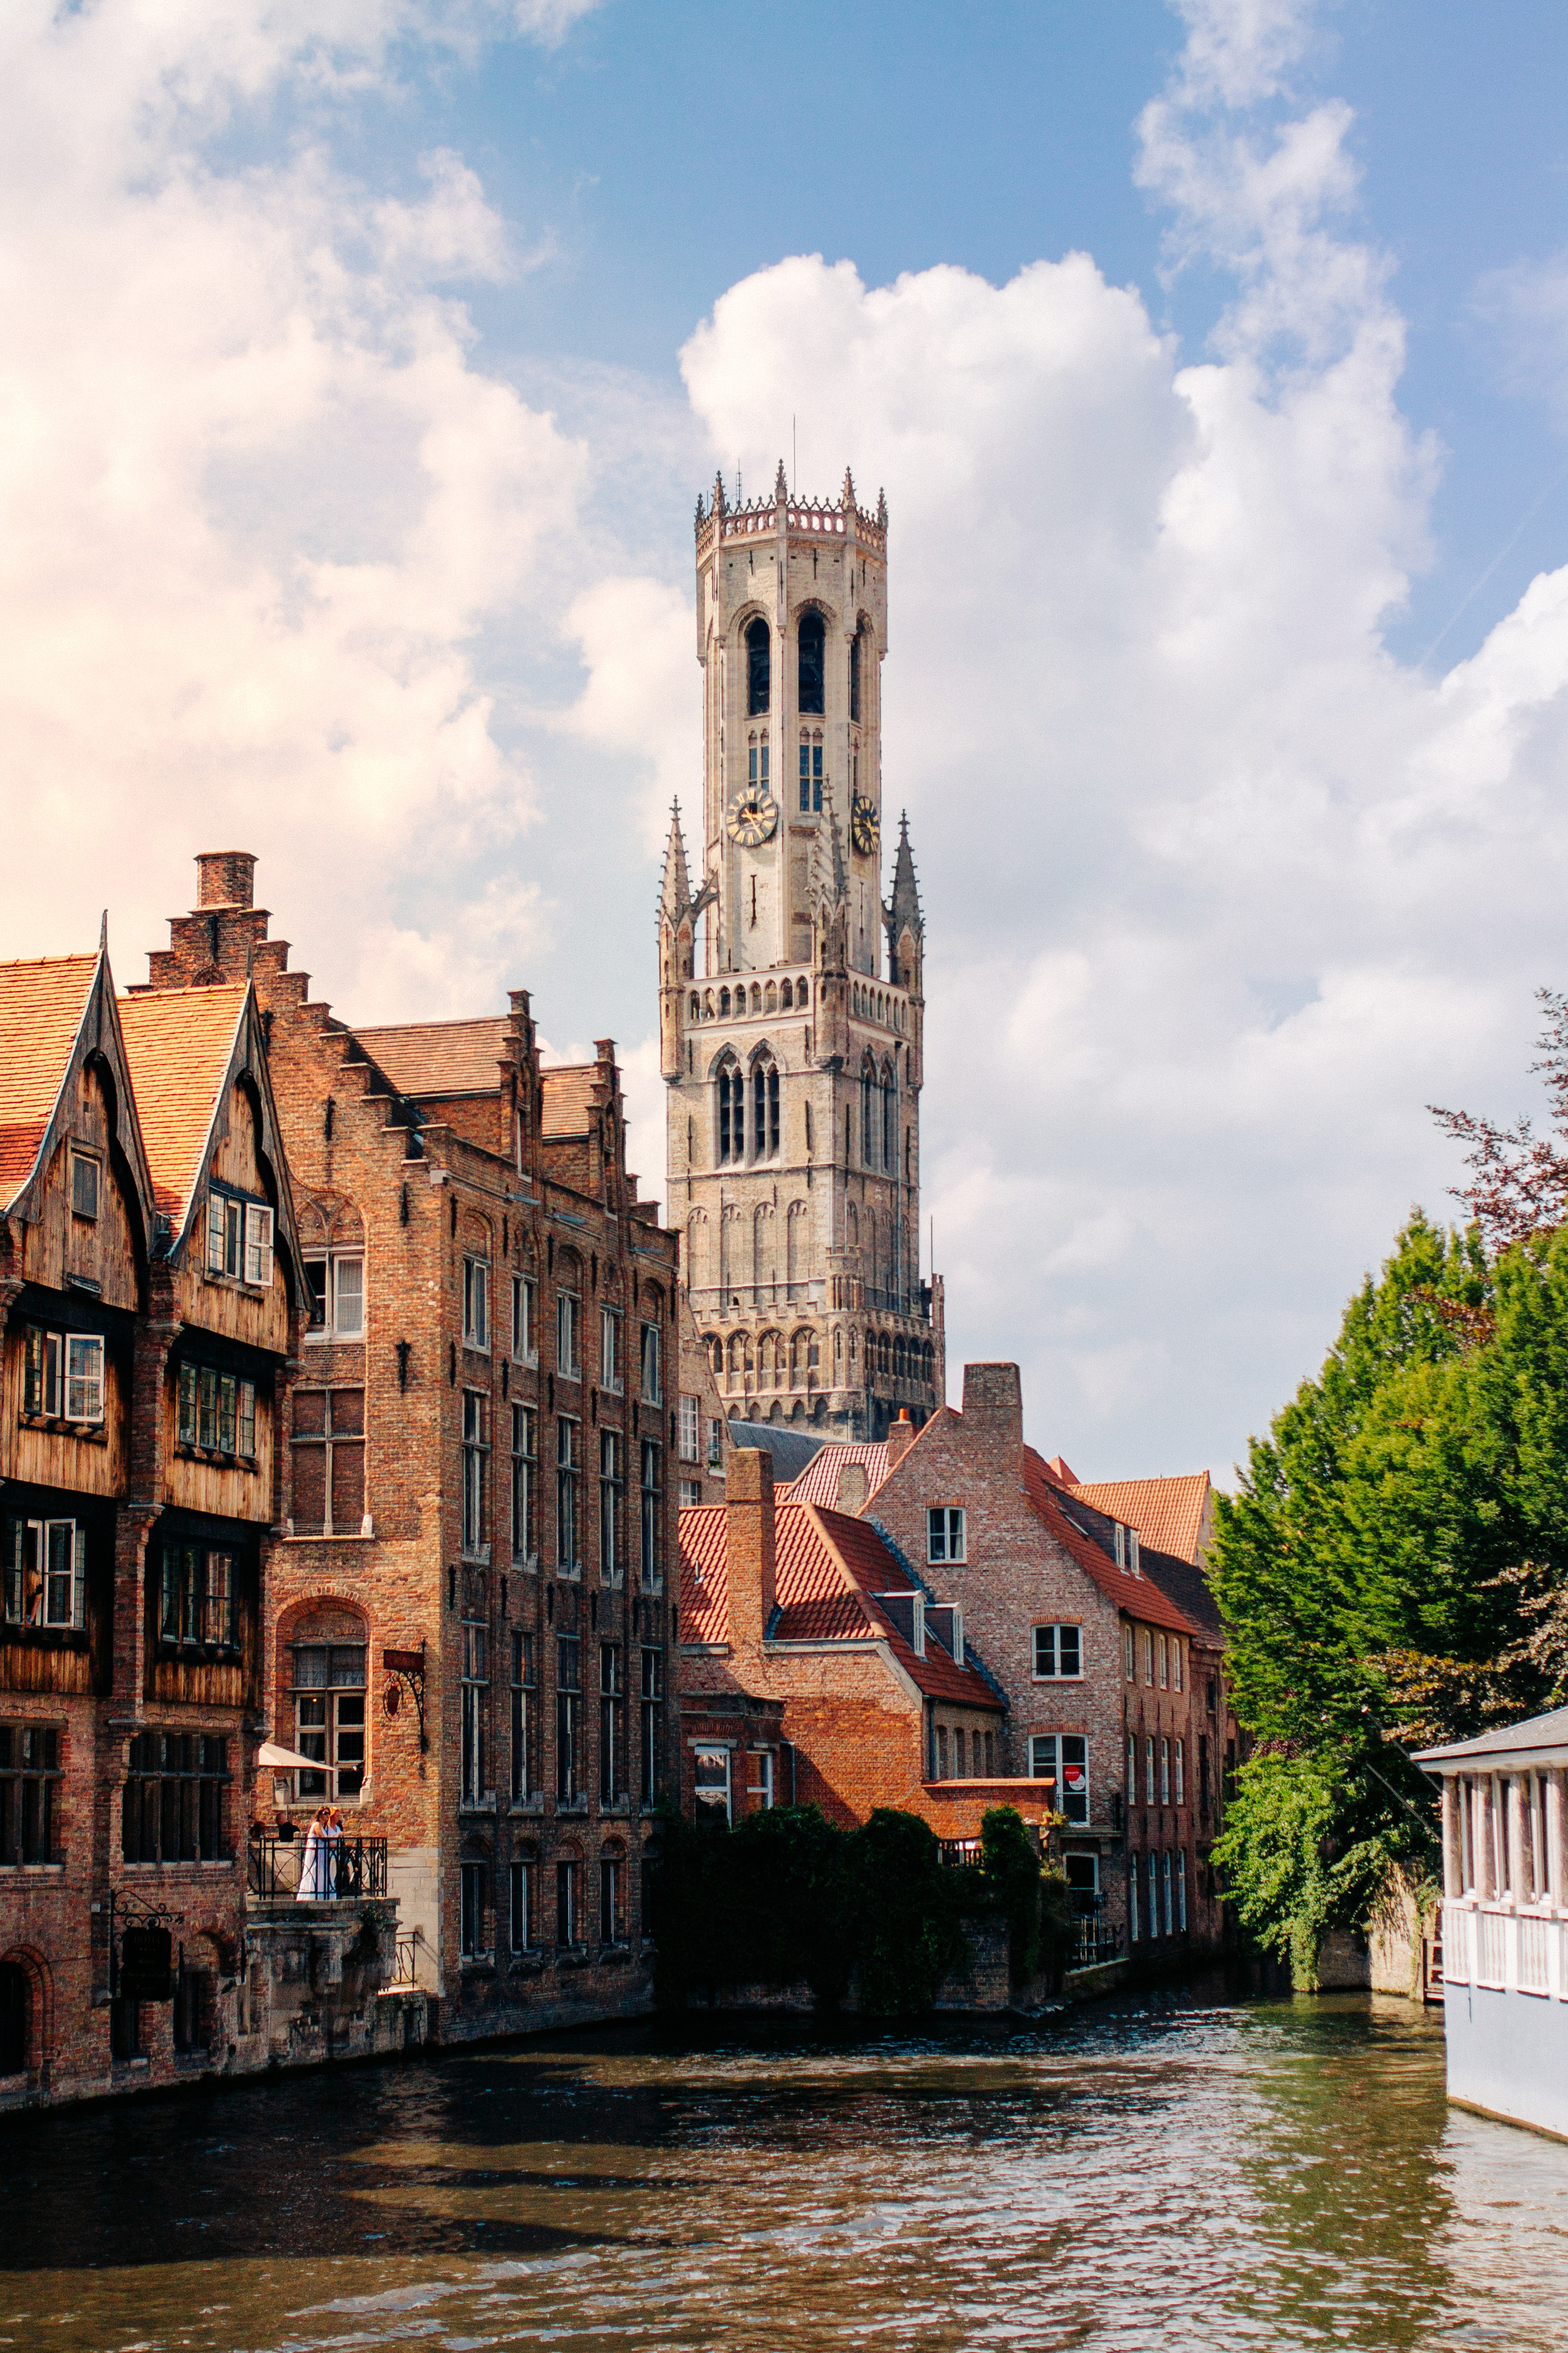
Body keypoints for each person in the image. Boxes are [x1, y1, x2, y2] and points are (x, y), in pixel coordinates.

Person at [295, 1805, 333, 1900]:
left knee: (322, 1871)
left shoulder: (324, 1827)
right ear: (320, 1814)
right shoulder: (316, 1825)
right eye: (325, 1813)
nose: (327, 1816)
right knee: (313, 1870)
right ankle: (312, 1895)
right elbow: (322, 1837)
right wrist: (332, 1843)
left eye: (329, 1814)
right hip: (315, 1851)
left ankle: (322, 1893)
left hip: (321, 1851)